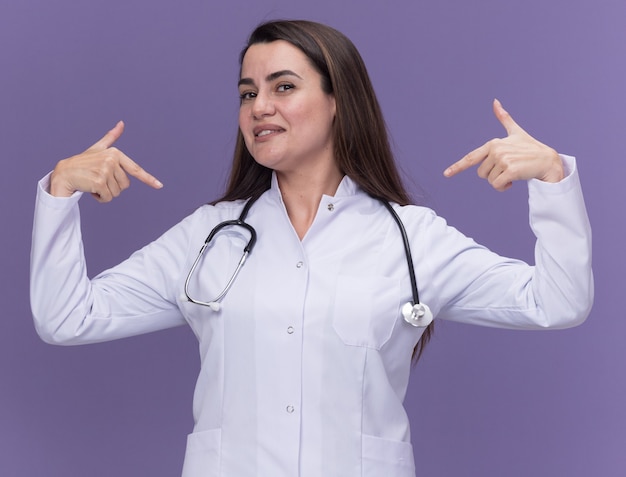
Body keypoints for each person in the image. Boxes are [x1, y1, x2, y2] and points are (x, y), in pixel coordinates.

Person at [30, 19, 593, 477]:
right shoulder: (210, 236)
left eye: (283, 86)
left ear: (337, 101)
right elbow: (67, 317)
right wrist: (59, 196)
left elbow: (557, 302)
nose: (258, 107)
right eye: (248, 93)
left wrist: (551, 180)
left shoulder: (411, 237)